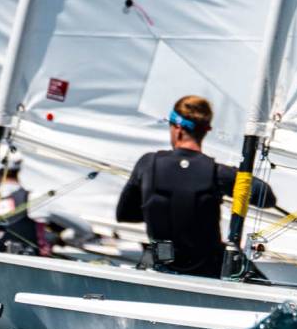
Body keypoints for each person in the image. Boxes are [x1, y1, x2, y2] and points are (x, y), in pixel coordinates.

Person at [114, 95, 274, 279]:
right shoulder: (218, 173)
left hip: (163, 269)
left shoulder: (148, 163)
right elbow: (267, 198)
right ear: (205, 131)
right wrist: (237, 176)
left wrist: (166, 209)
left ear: (177, 128)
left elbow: (125, 214)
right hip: (208, 273)